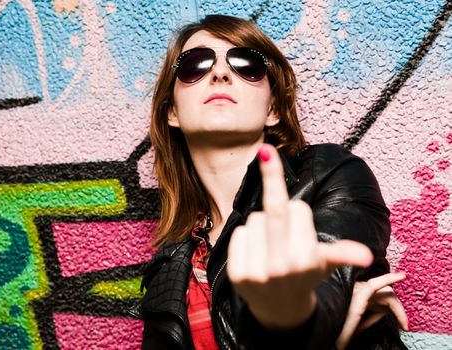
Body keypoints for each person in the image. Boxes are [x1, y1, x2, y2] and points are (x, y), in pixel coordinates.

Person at [135, 14, 408, 349]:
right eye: (195, 64)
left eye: (247, 64)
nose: (220, 73)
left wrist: (285, 310)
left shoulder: (328, 174)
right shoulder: (170, 271)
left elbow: (326, 293)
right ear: (171, 112)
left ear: (273, 109)